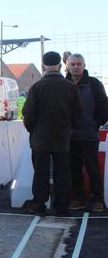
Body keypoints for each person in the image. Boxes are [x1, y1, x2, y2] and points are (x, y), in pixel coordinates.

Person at [22, 51, 83, 215]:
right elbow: (78, 112)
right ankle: (62, 206)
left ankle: (39, 205)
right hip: (62, 137)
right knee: (62, 173)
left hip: (40, 138)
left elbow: (28, 114)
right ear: (61, 65)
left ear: (43, 66)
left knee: (40, 173)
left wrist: (33, 130)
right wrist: (68, 128)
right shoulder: (70, 87)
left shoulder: (37, 87)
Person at [66, 53, 108, 212]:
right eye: (73, 64)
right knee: (73, 168)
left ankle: (98, 199)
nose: (75, 67)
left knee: (93, 167)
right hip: (69, 136)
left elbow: (104, 107)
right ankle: (78, 198)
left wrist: (94, 124)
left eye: (78, 64)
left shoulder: (94, 84)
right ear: (67, 66)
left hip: (89, 134)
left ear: (84, 66)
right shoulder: (64, 84)